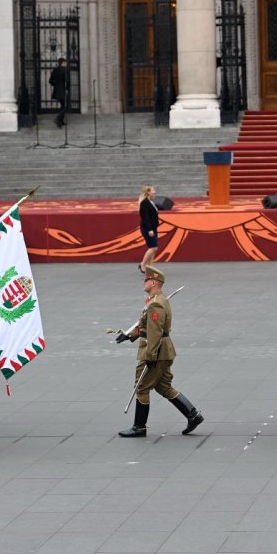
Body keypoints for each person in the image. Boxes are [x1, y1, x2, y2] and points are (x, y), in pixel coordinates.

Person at [114, 266, 204, 437]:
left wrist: (150, 356)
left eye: (146, 280)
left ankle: (139, 427)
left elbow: (155, 332)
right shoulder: (156, 300)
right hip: (163, 351)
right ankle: (193, 415)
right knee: (164, 387)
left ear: (154, 282)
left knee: (141, 387)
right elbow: (147, 326)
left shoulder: (156, 303)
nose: (144, 282)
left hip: (156, 352)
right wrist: (129, 335)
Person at [138, 185, 160, 273]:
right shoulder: (144, 203)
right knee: (154, 247)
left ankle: (150, 268)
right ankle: (143, 264)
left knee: (153, 248)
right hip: (148, 228)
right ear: (148, 192)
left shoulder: (150, 202)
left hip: (153, 228)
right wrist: (150, 229)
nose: (154, 192)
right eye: (153, 190)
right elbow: (145, 217)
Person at [49, 59, 68, 128]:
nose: (66, 64)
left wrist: (55, 85)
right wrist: (67, 89)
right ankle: (58, 119)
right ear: (62, 63)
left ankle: (60, 122)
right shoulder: (64, 70)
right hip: (62, 90)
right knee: (65, 106)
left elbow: (50, 81)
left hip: (57, 90)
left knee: (63, 105)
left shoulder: (55, 70)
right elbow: (67, 81)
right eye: (65, 62)